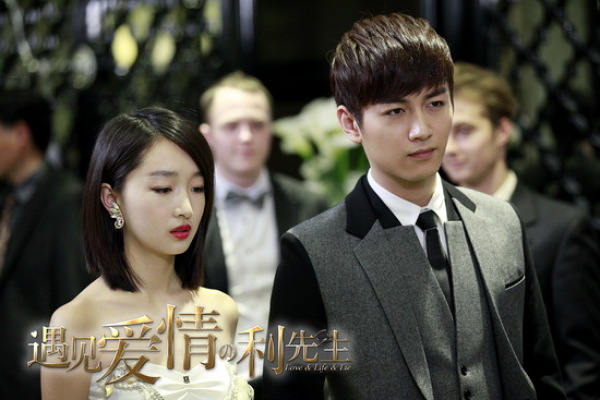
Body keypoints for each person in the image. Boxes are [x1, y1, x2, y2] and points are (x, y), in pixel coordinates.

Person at [263, 12, 565, 400]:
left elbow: (542, 374)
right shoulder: (311, 252)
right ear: (351, 124)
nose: (421, 130)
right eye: (395, 111)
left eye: (435, 103)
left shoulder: (501, 220)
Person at [41, 107, 253, 399]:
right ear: (111, 199)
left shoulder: (221, 309)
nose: (186, 208)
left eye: (197, 188)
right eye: (163, 189)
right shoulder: (76, 323)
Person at [442, 62, 600, 399]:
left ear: (502, 131)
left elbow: (583, 364)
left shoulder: (562, 229)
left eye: (465, 131)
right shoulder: (428, 223)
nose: (449, 147)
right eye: (444, 132)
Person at [198, 71, 329, 395]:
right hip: (213, 379)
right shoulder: (188, 211)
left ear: (271, 129)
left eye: (257, 124)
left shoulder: (309, 204)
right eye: (231, 126)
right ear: (208, 136)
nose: (246, 136)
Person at [0, 89, 90, 399]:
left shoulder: (66, 199)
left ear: (20, 135)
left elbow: (72, 295)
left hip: (36, 379)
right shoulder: (8, 196)